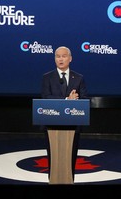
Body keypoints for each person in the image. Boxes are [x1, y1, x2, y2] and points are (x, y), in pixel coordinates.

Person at [41, 46, 88, 181]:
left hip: (73, 127)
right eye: (57, 56)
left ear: (70, 58)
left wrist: (76, 100)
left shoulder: (79, 78)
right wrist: (67, 99)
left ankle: (70, 181)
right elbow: (45, 97)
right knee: (53, 157)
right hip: (51, 126)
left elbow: (84, 100)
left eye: (64, 56)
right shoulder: (47, 77)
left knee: (71, 157)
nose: (60, 59)